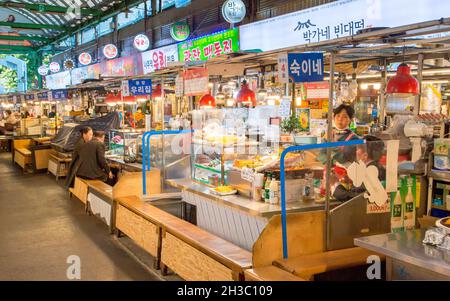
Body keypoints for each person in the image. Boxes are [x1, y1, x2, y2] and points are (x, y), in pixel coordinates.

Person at [333, 135, 386, 202]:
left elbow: (354, 199)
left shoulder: (367, 172)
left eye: (358, 149)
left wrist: (334, 185)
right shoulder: (380, 169)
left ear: (365, 155)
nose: (356, 152)